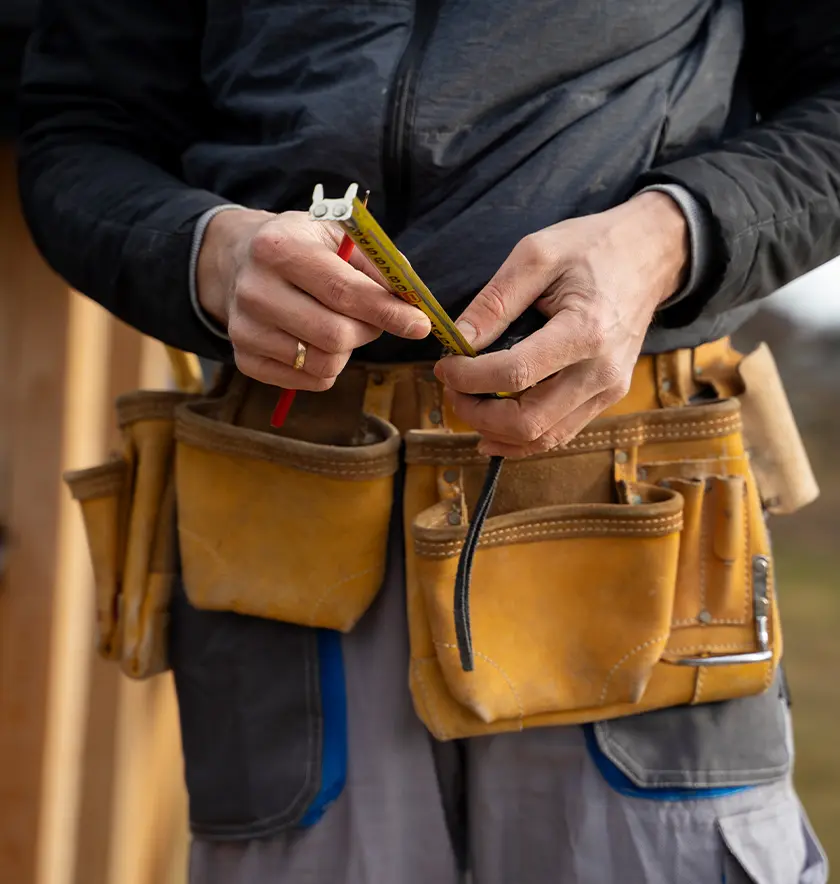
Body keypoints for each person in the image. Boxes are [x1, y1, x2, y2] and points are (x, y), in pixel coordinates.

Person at [16, 0, 838, 881]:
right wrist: (207, 254)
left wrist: (668, 237)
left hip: (628, 495)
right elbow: (78, 129)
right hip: (284, 505)